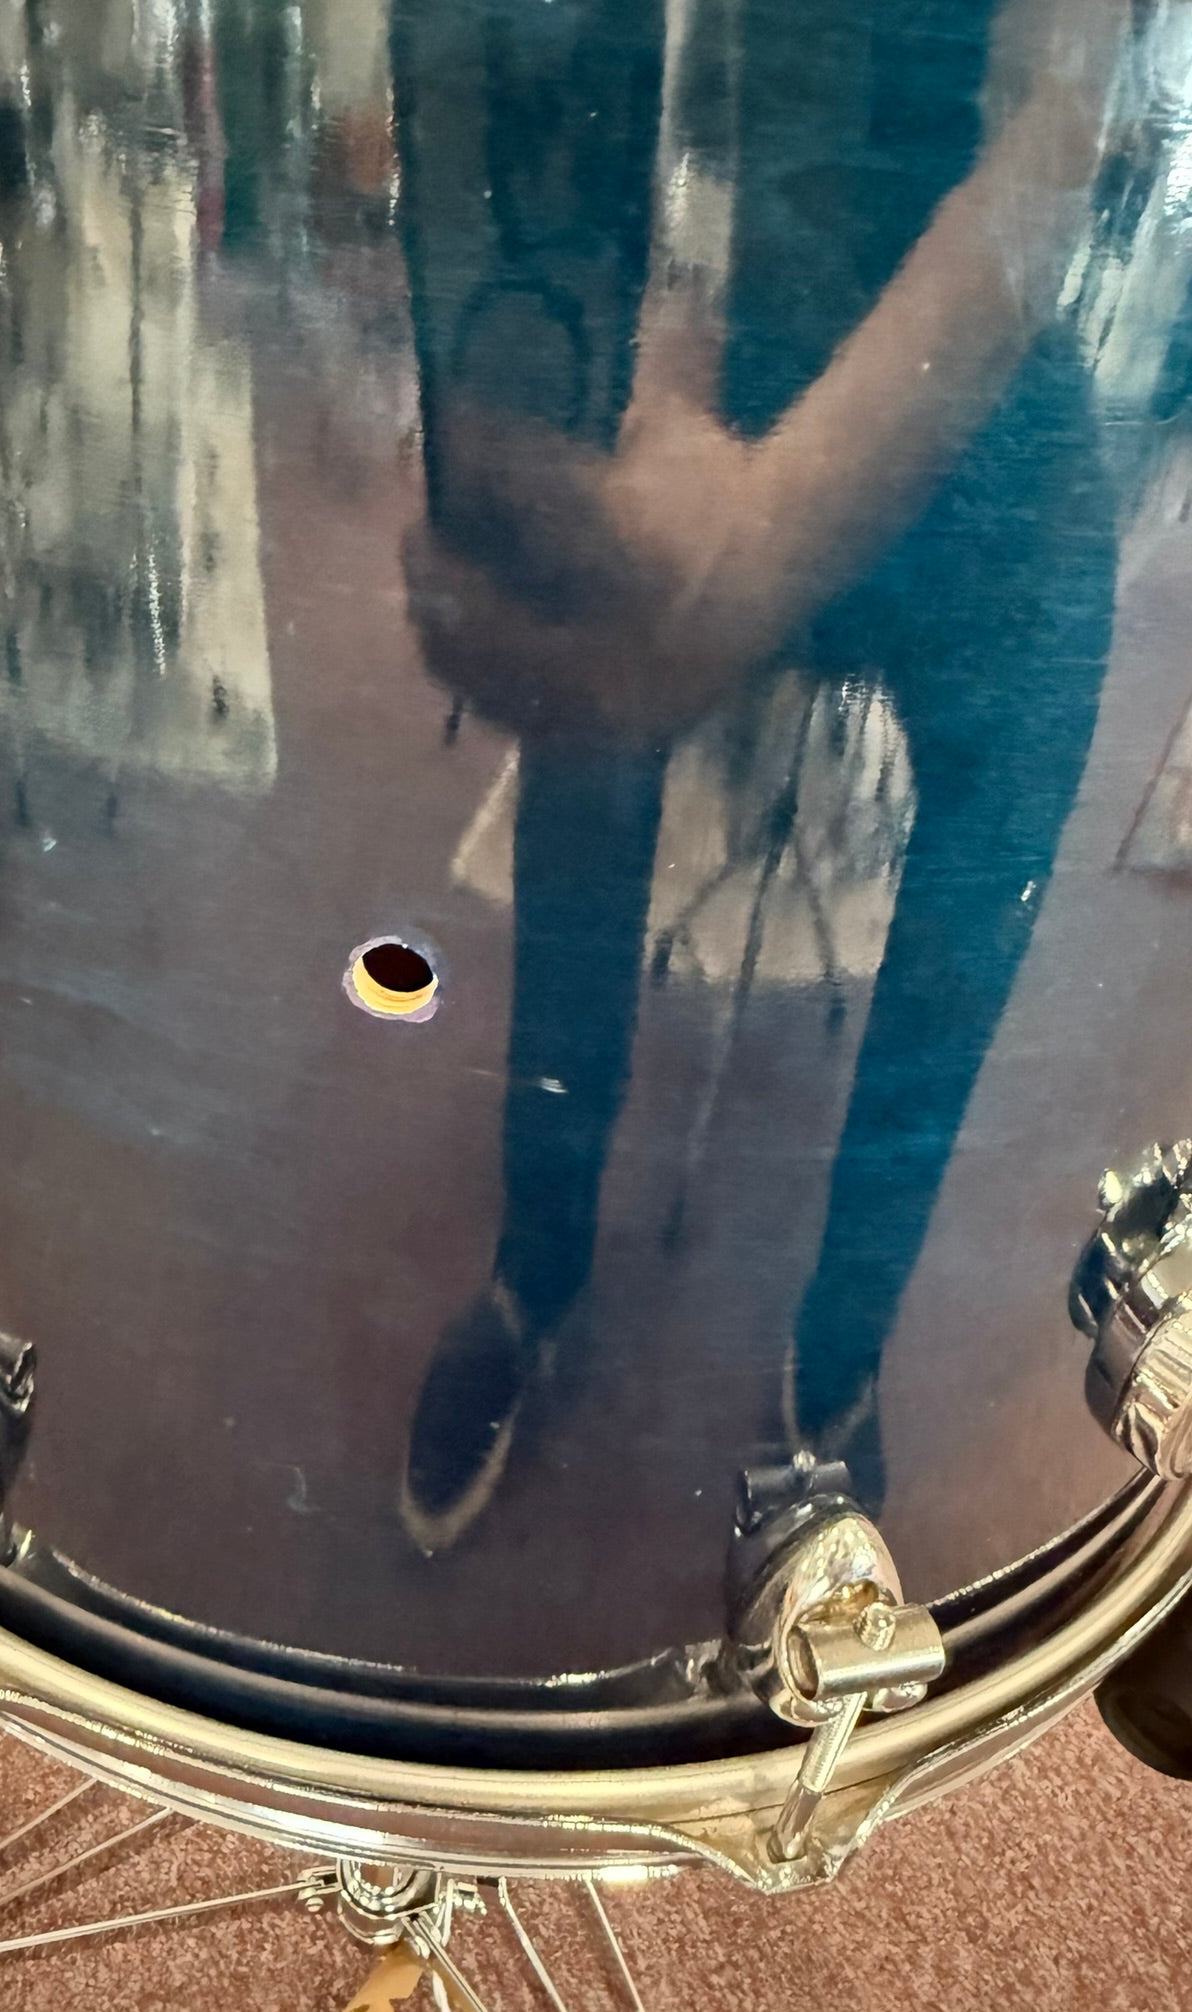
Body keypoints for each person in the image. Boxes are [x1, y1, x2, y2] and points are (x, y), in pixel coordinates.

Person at [395, 0, 1128, 1551]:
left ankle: (843, 1356)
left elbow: (1049, 137)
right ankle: (535, 1273)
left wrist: (756, 542)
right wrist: (599, 404)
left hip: (983, 410)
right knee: (582, 771)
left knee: (992, 858)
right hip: (758, 337)